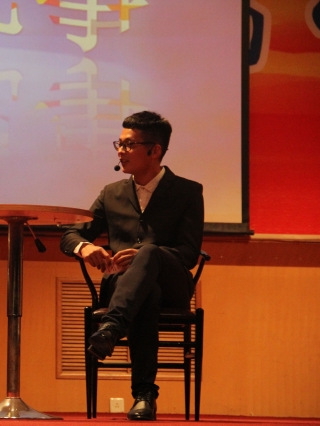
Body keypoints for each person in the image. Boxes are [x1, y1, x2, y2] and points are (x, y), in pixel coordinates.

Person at [60, 111, 204, 421]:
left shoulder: (188, 192)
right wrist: (86, 247)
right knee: (145, 294)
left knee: (148, 253)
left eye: (128, 145)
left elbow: (188, 254)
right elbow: (70, 235)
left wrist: (143, 255)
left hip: (172, 285)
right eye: (119, 144)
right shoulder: (111, 193)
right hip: (124, 286)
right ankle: (144, 395)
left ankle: (111, 327)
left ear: (155, 150)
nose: (120, 151)